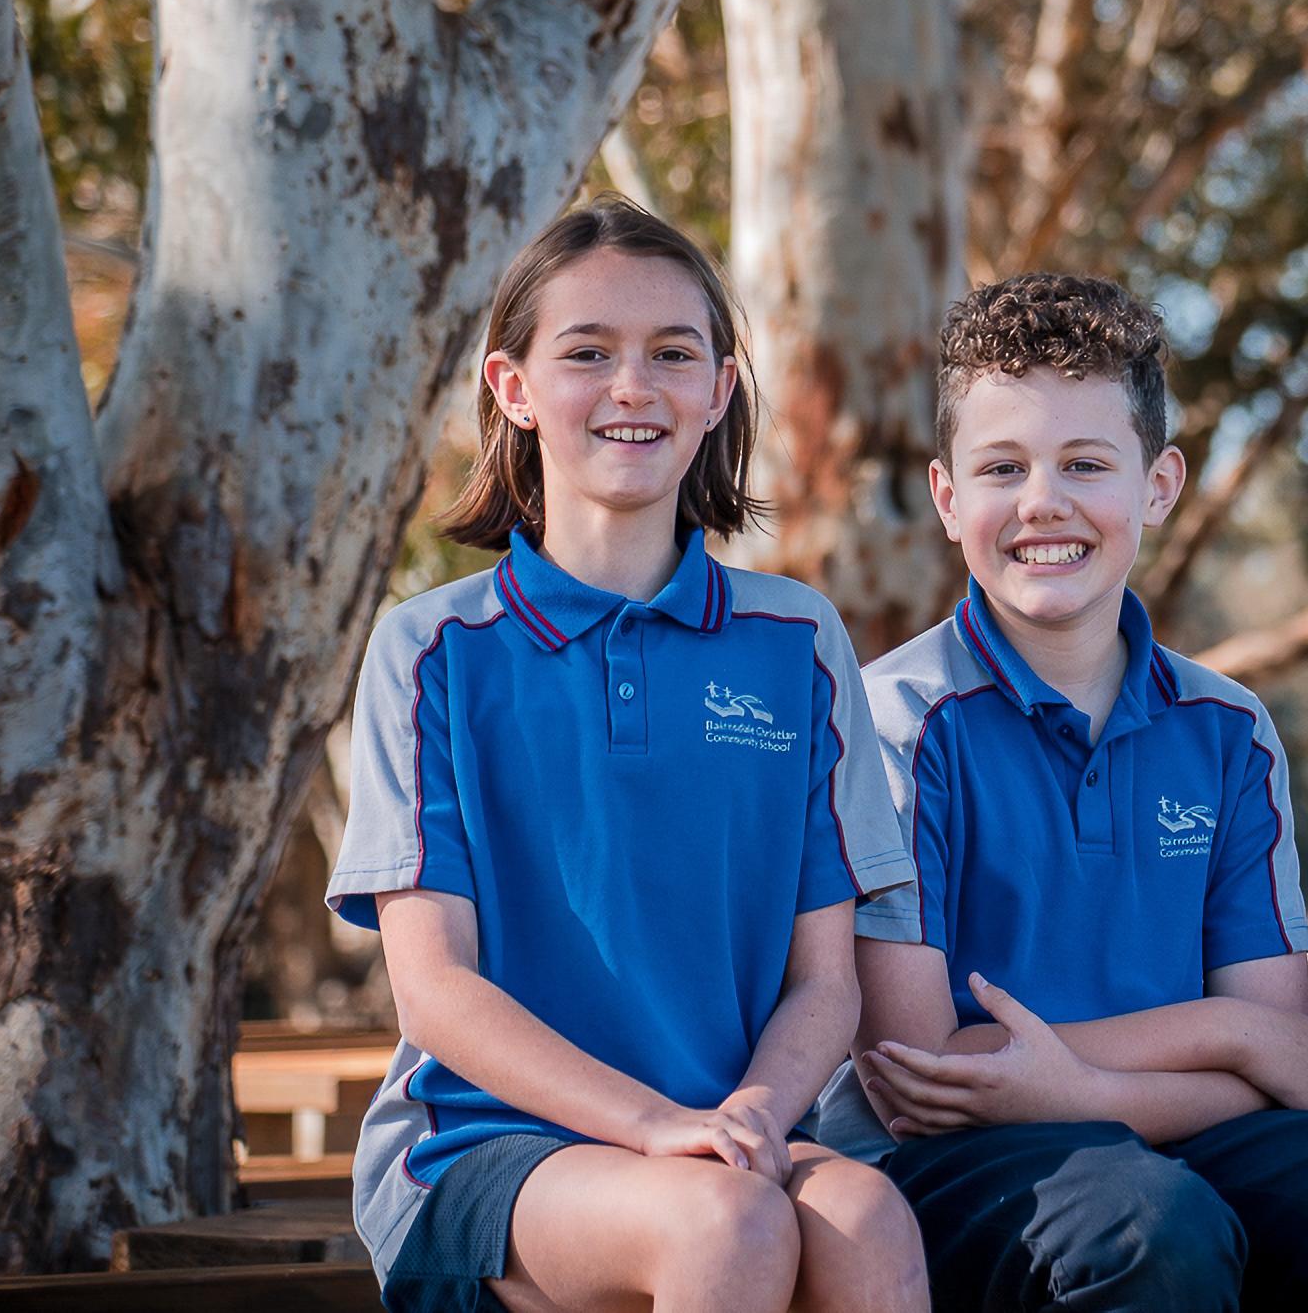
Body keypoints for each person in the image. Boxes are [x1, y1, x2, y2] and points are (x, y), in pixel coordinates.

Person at [817, 273, 1308, 1312]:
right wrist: (1227, 1037)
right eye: (1003, 467)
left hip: (1168, 1142)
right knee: (1153, 1229)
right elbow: (924, 1075)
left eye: (1085, 464)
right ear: (948, 497)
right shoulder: (893, 724)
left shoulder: (1227, 731)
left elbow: (1283, 1059)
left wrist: (1092, 1086)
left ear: (1159, 485)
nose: (1042, 501)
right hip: (948, 1170)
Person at [326, 198, 928, 1313]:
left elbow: (826, 981)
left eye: (672, 354)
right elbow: (436, 991)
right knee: (726, 1224)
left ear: (720, 390)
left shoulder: (797, 642)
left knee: (867, 1220)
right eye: (588, 353)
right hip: (483, 1148)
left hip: (733, 1132)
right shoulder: (433, 650)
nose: (633, 387)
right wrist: (656, 1128)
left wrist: (753, 1112)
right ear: (513, 388)